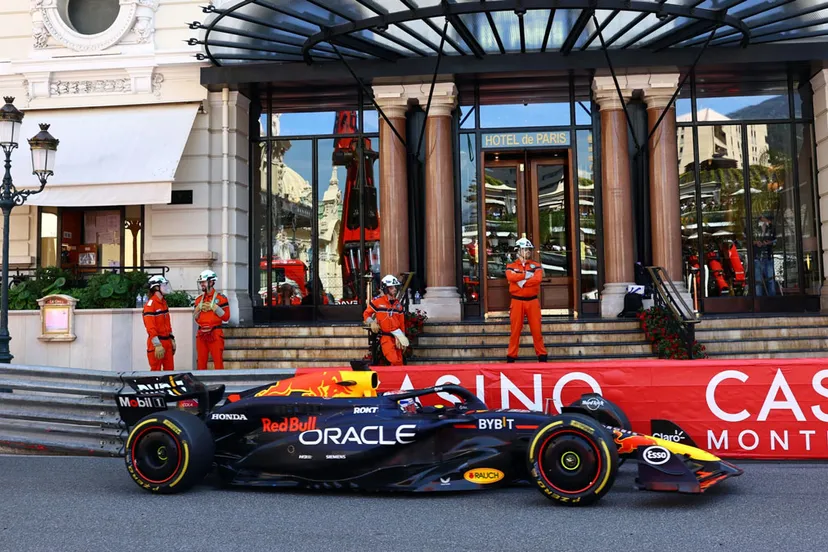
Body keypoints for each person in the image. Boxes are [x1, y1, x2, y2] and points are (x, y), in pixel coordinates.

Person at [505, 236, 548, 363]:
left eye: (529, 249)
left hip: (533, 301)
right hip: (517, 301)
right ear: (518, 251)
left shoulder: (536, 265)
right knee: (515, 330)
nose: (528, 252)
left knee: (536, 330)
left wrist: (522, 282)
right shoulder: (511, 266)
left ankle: (542, 355)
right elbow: (510, 277)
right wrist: (526, 276)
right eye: (525, 249)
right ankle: (511, 356)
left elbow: (538, 279)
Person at [363, 274, 408, 366]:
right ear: (386, 289)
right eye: (391, 288)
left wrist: (402, 337)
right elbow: (366, 314)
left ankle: (397, 379)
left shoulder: (398, 305)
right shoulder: (377, 302)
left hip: (397, 334)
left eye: (395, 287)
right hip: (385, 335)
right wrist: (371, 322)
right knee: (394, 359)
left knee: (400, 361)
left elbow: (401, 323)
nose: (394, 289)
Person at [193, 269, 231, 370]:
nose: (202, 284)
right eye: (201, 282)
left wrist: (216, 308)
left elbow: (226, 317)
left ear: (211, 282)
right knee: (201, 362)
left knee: (218, 361)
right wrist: (198, 310)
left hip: (215, 333)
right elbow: (196, 319)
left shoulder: (221, 298)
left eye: (203, 282)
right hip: (201, 333)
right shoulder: (198, 300)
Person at [143, 275, 176, 372]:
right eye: (164, 285)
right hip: (156, 343)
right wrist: (157, 344)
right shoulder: (150, 305)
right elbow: (150, 328)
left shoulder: (163, 303)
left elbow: (168, 323)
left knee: (170, 371)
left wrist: (172, 339)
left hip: (167, 341)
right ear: (156, 287)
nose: (166, 287)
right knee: (155, 372)